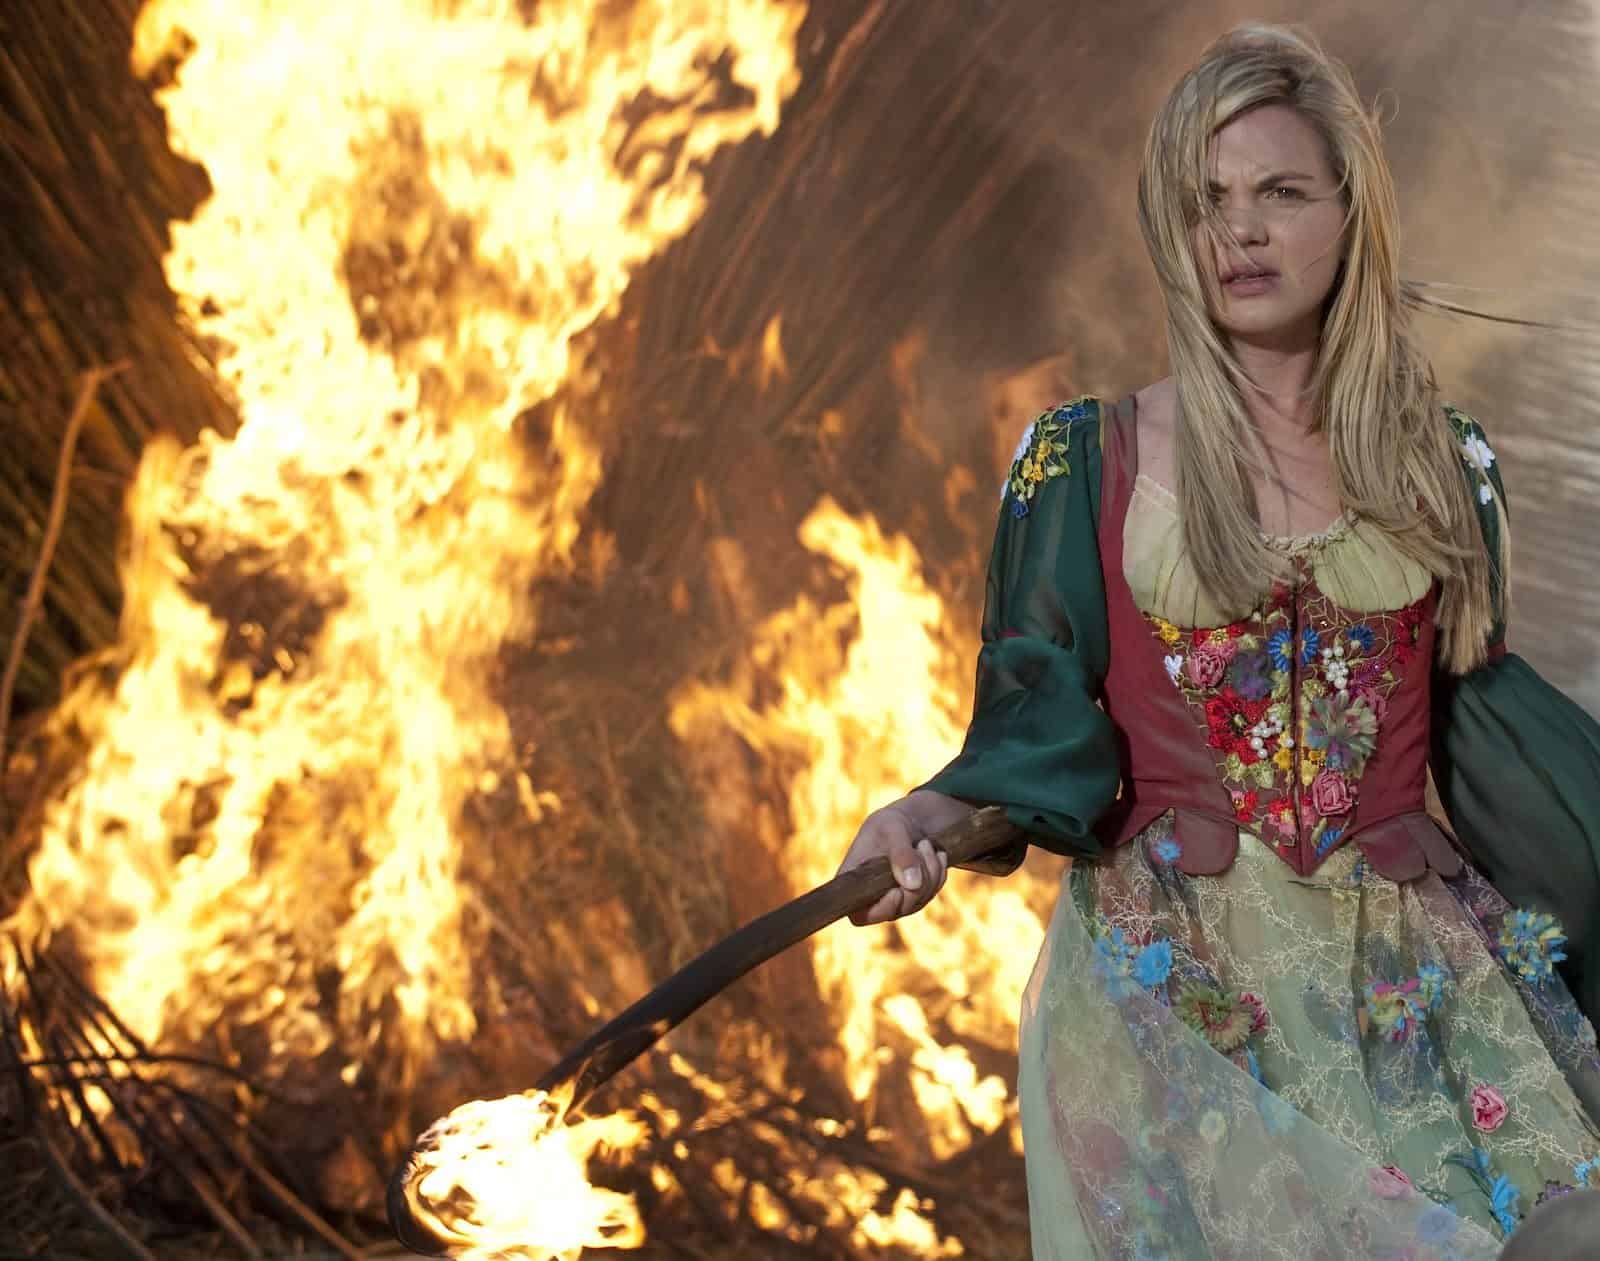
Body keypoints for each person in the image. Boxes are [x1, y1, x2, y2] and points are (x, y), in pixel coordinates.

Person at [836, 23, 1600, 1260]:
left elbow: (1499, 740)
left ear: (1349, 212)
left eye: (1280, 193)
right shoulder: (1084, 462)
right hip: (1176, 986)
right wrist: (926, 814)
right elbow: (1036, 715)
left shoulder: (1446, 464)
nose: (1238, 231)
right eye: (1207, 200)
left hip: (1407, 982)